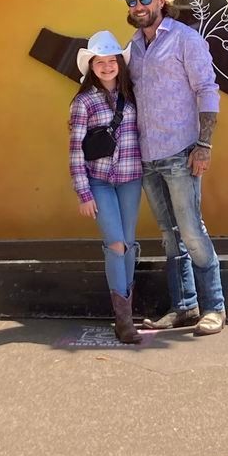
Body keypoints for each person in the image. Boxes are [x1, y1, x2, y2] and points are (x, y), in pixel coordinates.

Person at [112, 0, 226, 336]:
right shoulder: (134, 46)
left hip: (181, 151)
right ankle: (185, 306)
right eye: (133, 1)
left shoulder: (185, 39)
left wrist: (204, 145)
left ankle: (215, 306)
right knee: (168, 234)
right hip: (147, 155)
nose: (138, 6)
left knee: (191, 230)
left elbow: (207, 90)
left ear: (162, 0)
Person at [69, 31, 143, 344]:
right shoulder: (83, 102)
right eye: (100, 62)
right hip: (99, 182)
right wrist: (83, 193)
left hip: (130, 179)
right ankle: (123, 320)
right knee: (115, 243)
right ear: (91, 66)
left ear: (119, 64)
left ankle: (127, 313)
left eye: (112, 61)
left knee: (128, 243)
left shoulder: (133, 96)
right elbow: (75, 150)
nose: (107, 67)